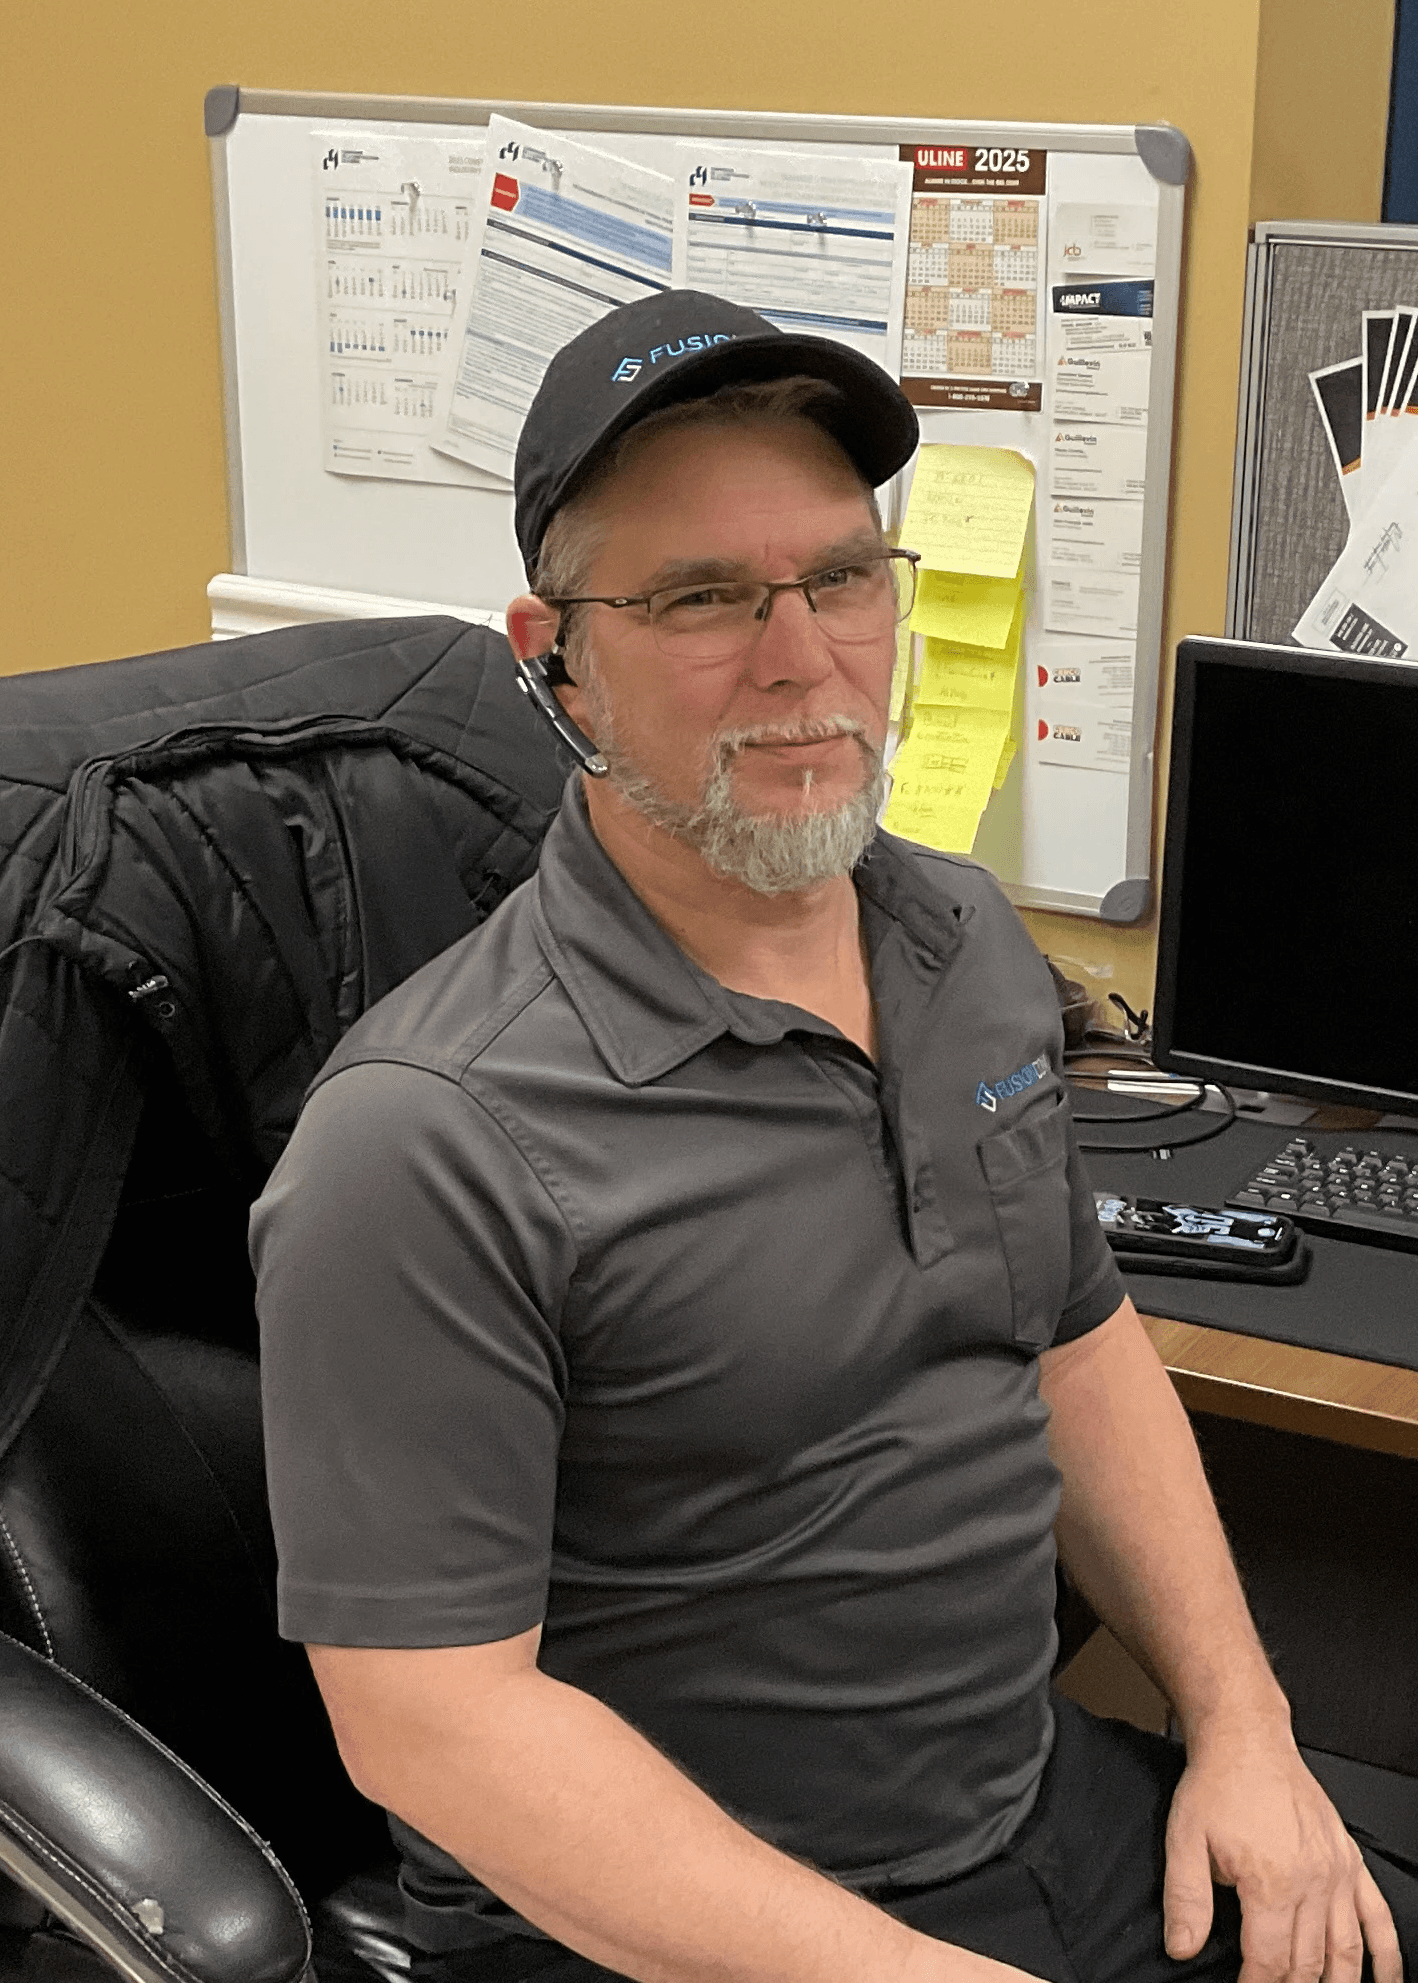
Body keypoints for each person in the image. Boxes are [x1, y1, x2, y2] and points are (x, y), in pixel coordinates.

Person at [251, 291, 1414, 1983]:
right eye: (700, 595)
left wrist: (1244, 1726)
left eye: (843, 576)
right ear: (551, 657)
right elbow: (434, 1725)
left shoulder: (961, 941)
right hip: (659, 1925)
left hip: (1029, 1818)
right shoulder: (425, 1142)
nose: (799, 656)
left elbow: (1075, 1345)